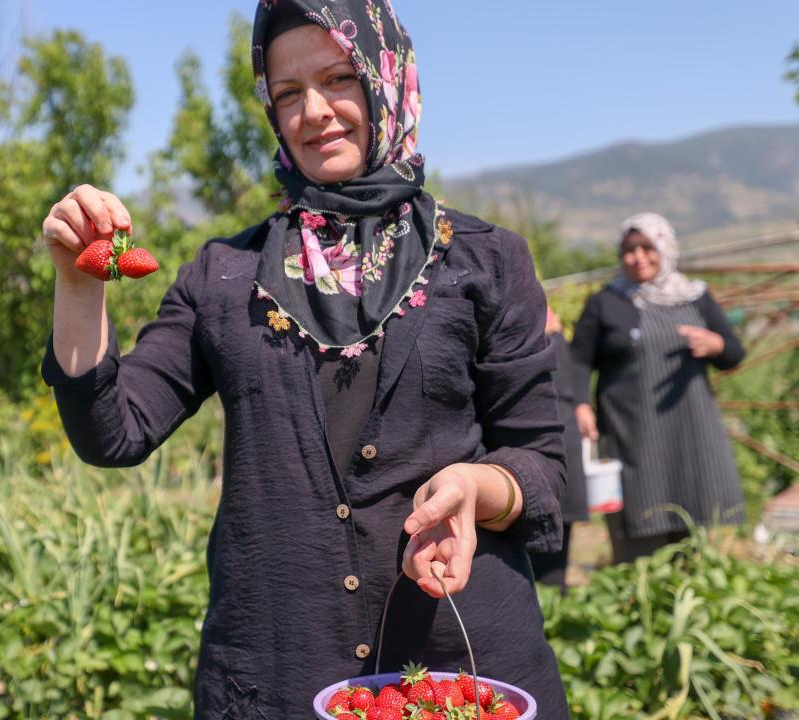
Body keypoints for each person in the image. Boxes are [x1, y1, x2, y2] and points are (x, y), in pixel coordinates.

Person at [39, 1, 569, 716]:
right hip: (278, 674)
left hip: (457, 675)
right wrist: (78, 285)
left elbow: (543, 466)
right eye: (288, 92)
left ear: (387, 79)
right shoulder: (224, 275)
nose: (314, 111)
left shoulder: (484, 260)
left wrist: (479, 487)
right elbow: (113, 433)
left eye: (339, 78)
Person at [570, 213, 746, 565]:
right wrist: (580, 404)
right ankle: (638, 589)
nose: (638, 258)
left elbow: (734, 354)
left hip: (690, 431)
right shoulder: (607, 302)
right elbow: (577, 361)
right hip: (632, 431)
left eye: (647, 248)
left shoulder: (694, 297)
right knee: (638, 530)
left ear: (665, 249)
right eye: (628, 250)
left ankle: (688, 594)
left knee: (692, 530)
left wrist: (716, 345)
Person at [530, 308, 588, 594]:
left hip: (565, 433)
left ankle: (557, 595)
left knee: (562, 522)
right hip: (537, 431)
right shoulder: (520, 335)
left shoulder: (558, 335)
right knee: (537, 519)